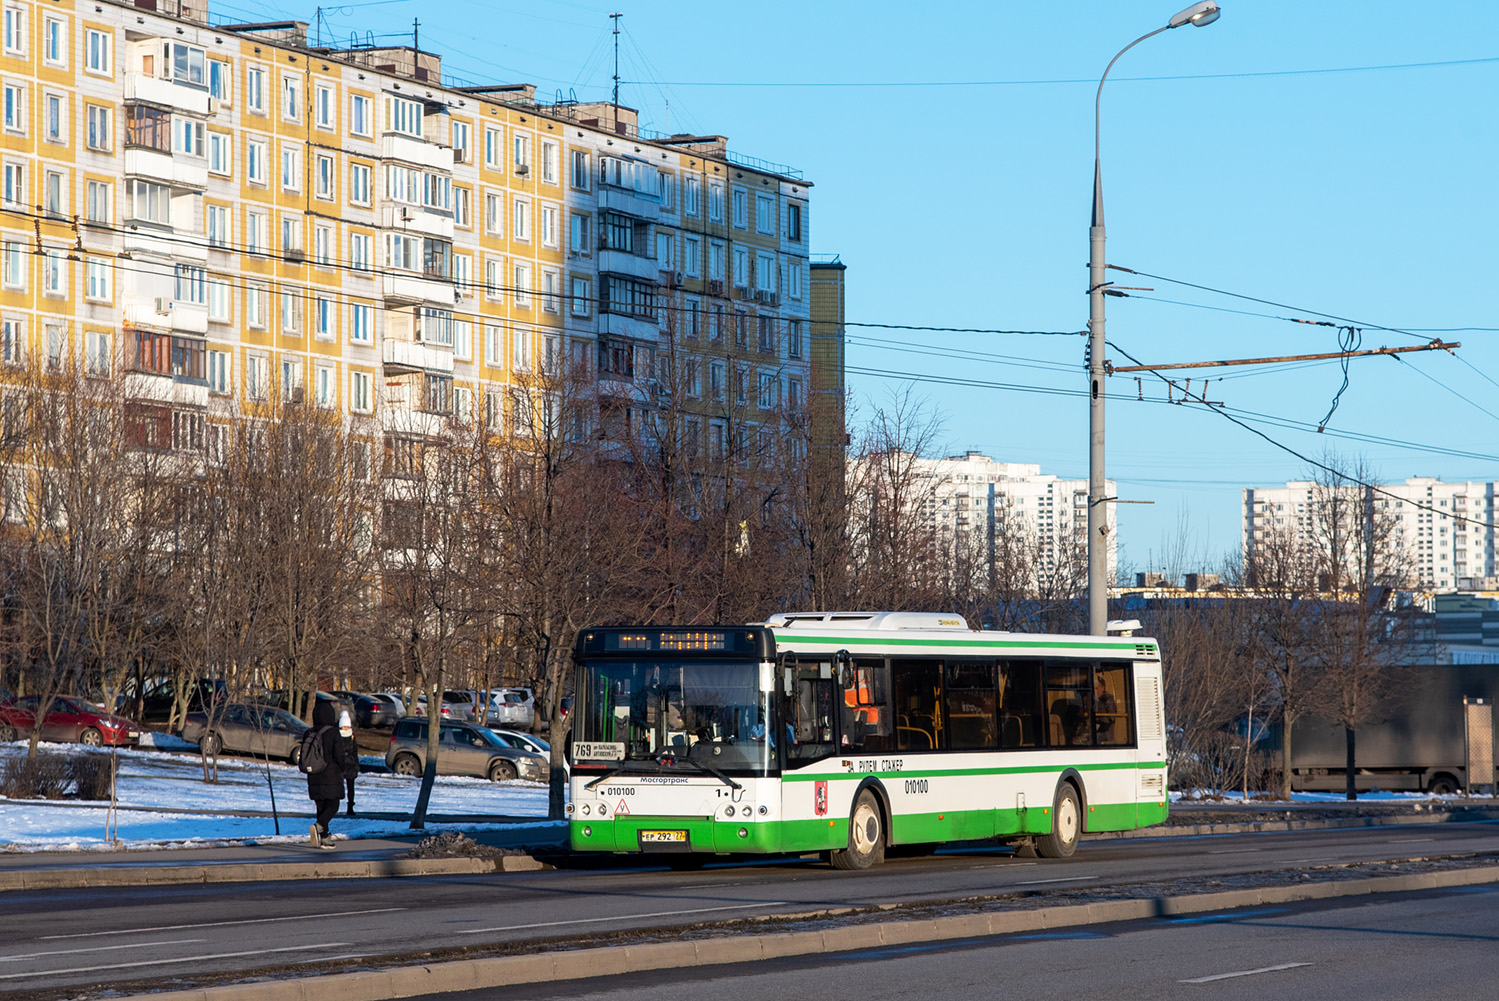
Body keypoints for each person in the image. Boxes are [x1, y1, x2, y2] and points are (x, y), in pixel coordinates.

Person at [306, 699, 354, 849]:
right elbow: (339, 755)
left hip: (313, 777)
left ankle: (325, 838)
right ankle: (319, 827)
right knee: (333, 805)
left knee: (321, 807)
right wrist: (344, 767)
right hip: (331, 776)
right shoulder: (333, 732)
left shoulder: (309, 732)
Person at [338, 710, 360, 818]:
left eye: (347, 726)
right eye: (344, 726)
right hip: (341, 765)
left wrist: (356, 765)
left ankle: (350, 806)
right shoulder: (337, 736)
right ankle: (337, 806)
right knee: (339, 786)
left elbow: (355, 751)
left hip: (350, 765)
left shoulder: (352, 737)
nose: (345, 729)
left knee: (350, 788)